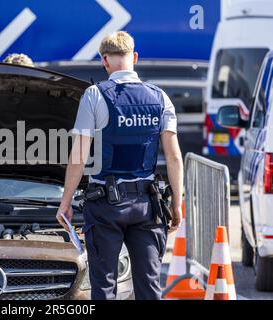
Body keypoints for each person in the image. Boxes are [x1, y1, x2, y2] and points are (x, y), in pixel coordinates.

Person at [56, 31, 183, 300]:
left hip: (106, 206)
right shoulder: (160, 97)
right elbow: (174, 157)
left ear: (104, 61)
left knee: (104, 285)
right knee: (149, 285)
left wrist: (65, 201)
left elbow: (78, 156)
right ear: (134, 57)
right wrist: (177, 205)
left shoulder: (94, 95)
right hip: (148, 205)